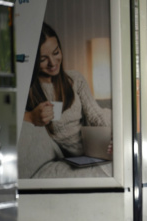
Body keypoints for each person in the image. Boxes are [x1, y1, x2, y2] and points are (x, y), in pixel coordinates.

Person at [24, 22, 112, 159]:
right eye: (43, 59)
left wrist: (115, 134)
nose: (53, 63)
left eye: (56, 53)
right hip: (70, 156)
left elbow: (96, 114)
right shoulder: (28, 90)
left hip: (95, 144)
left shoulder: (75, 79)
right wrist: (30, 116)